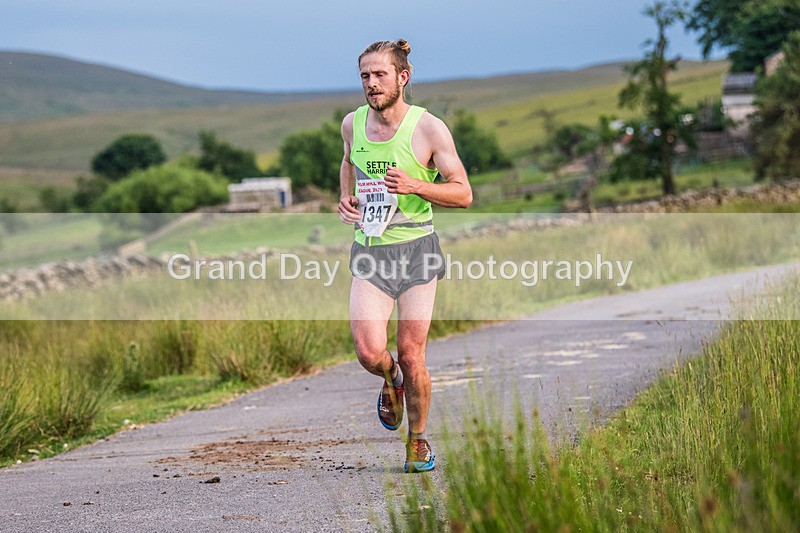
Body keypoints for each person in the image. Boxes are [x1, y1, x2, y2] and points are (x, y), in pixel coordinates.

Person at [337, 39, 472, 473]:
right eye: (364, 76)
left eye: (379, 75)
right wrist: (346, 198)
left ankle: (417, 440)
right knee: (367, 351)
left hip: (417, 252)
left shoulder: (429, 128)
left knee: (413, 355)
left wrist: (416, 185)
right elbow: (347, 163)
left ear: (402, 77)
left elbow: (463, 193)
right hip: (372, 251)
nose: (371, 84)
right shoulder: (351, 124)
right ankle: (390, 379)